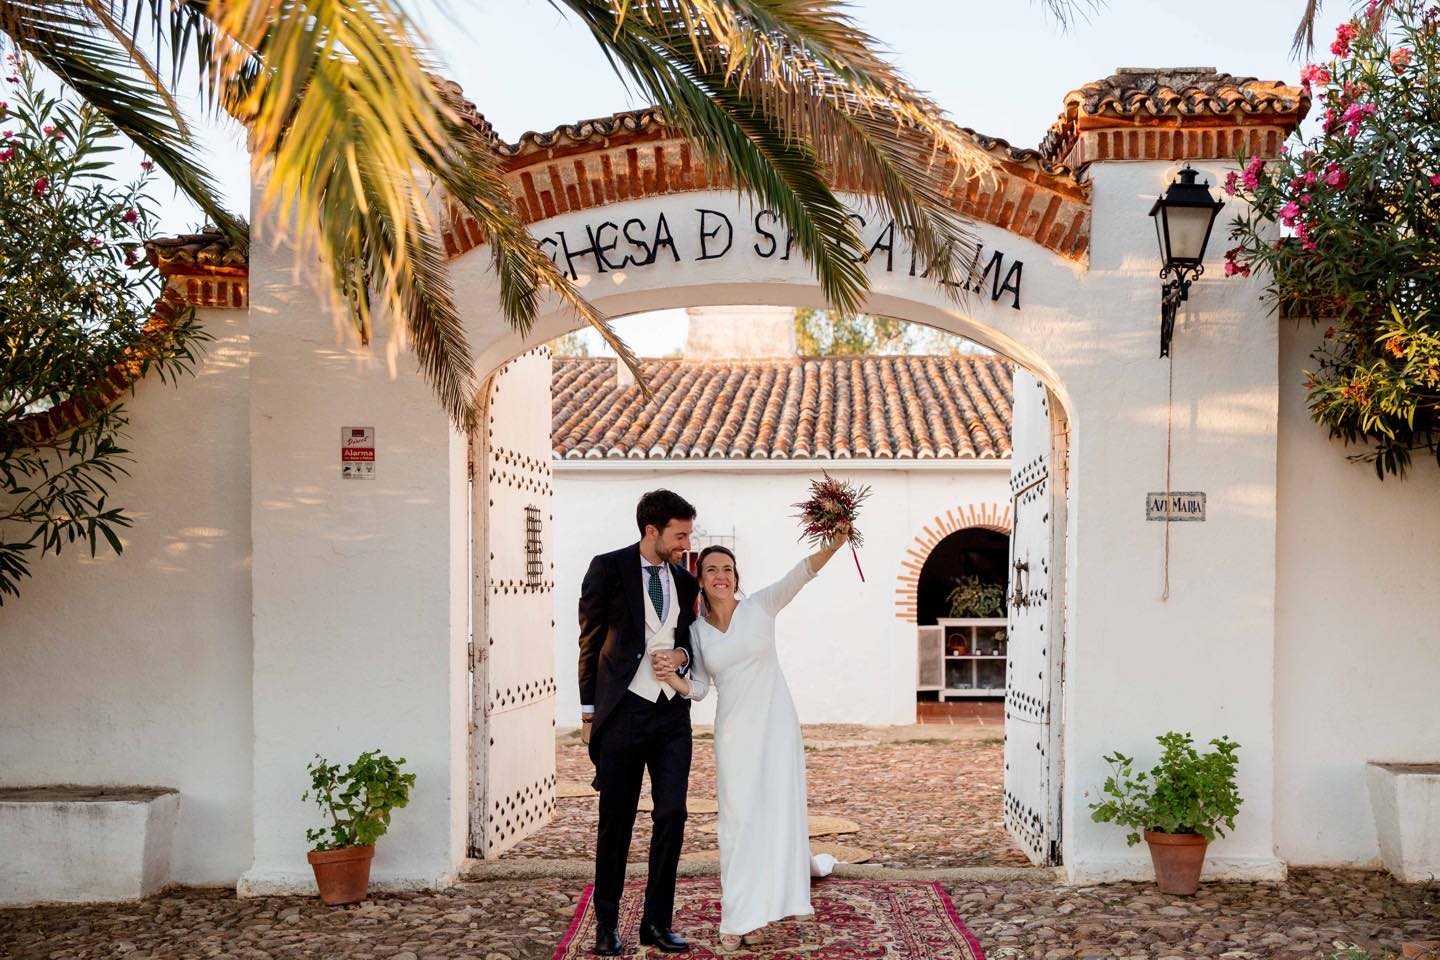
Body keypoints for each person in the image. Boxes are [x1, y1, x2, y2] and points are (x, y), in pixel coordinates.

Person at [654, 530, 848, 952]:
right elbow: (701, 688)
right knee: (738, 823)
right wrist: (672, 677)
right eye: (711, 570)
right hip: (734, 734)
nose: (720, 575)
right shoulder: (698, 632)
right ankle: (738, 915)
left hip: (777, 727)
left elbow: (801, 574)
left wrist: (835, 542)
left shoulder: (761, 605)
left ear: (735, 576)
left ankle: (761, 907)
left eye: (726, 569)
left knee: (775, 813)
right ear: (700, 579)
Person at [577, 489, 701, 956]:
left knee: (672, 814)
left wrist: (683, 655)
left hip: (671, 715)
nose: (686, 543)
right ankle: (606, 924)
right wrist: (589, 712)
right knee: (616, 821)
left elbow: (693, 642)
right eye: (680, 534)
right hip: (623, 713)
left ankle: (656, 921)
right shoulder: (607, 568)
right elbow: (589, 641)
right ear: (652, 530)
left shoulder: (686, 583)